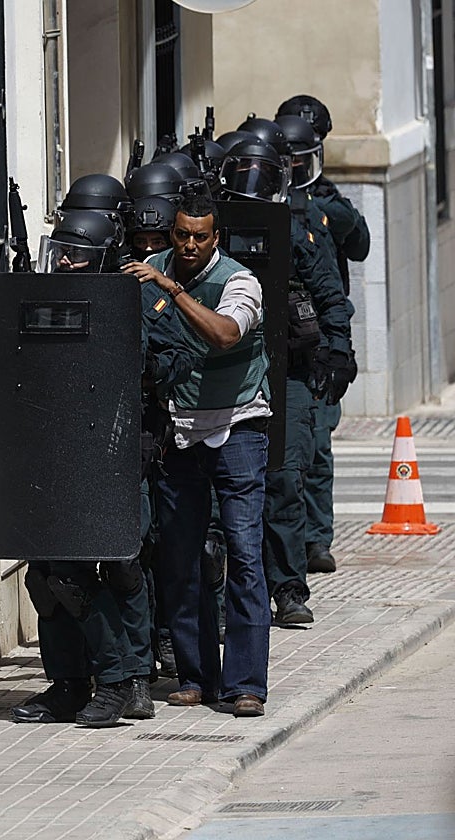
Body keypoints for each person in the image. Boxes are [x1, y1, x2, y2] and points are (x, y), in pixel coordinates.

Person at [13, 203, 201, 727]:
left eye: (77, 254)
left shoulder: (137, 299)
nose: (66, 263)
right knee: (48, 576)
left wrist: (138, 367)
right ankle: (69, 682)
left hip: (118, 451)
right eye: (61, 253)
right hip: (56, 452)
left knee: (118, 566)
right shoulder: (44, 296)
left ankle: (129, 677)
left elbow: (179, 356)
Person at [121, 192, 272, 718]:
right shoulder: (147, 268)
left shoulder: (239, 281)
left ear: (216, 237)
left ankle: (246, 684)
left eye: (199, 236)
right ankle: (195, 676)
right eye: (181, 233)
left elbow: (225, 334)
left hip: (238, 426)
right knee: (181, 558)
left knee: (244, 555)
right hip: (177, 432)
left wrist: (172, 290)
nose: (187, 244)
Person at [223, 134, 352, 627]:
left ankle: (289, 589)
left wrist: (337, 352)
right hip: (228, 373)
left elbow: (329, 294)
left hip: (288, 371)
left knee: (284, 480)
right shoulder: (208, 230)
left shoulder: (295, 231)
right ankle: (220, 598)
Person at [277, 95, 372, 574]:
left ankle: (317, 539)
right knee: (293, 451)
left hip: (319, 338)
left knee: (317, 444)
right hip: (283, 336)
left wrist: (330, 212)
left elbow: (360, 246)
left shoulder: (327, 200)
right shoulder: (270, 200)